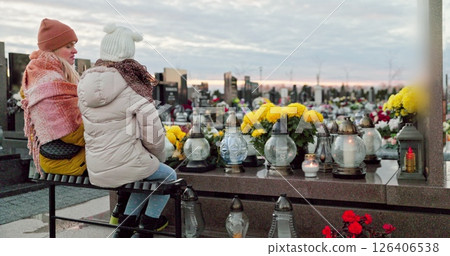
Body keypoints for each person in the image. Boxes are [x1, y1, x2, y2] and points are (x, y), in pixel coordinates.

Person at [77, 24, 177, 238]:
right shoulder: (131, 83)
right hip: (126, 164)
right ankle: (146, 230)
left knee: (142, 177)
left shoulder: (85, 82)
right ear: (128, 52)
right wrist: (157, 158)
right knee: (167, 176)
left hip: (97, 166)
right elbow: (153, 133)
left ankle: (123, 231)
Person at [21, 18, 86, 176]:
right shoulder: (50, 83)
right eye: (68, 46)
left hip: (60, 157)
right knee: (134, 165)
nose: (75, 51)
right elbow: (73, 133)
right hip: (70, 161)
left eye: (74, 45)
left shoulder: (40, 74)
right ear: (53, 49)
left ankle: (122, 201)